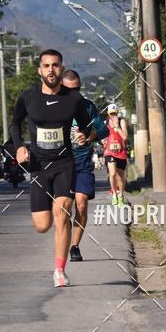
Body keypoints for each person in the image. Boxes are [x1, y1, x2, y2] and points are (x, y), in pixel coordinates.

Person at [10, 49, 92, 287]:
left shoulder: (73, 99)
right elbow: (15, 123)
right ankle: (57, 262)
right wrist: (19, 147)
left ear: (61, 68)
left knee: (63, 212)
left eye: (55, 65)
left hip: (64, 163)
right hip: (38, 166)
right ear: (40, 70)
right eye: (46, 66)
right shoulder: (28, 97)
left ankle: (59, 271)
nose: (51, 70)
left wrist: (84, 135)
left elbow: (86, 125)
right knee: (42, 225)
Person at [62, 69, 109, 262]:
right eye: (69, 90)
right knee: (64, 208)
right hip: (61, 164)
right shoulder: (54, 107)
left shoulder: (88, 107)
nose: (74, 94)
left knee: (81, 204)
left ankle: (74, 246)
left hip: (82, 162)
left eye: (77, 89)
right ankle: (63, 241)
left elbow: (103, 130)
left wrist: (90, 137)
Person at [103, 102, 129, 206]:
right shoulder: (105, 123)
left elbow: (125, 137)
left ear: (117, 113)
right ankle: (114, 194)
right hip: (109, 152)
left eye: (115, 113)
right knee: (112, 173)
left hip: (120, 152)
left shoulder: (122, 122)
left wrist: (117, 127)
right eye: (111, 113)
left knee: (121, 177)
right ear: (108, 113)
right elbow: (101, 136)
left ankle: (121, 195)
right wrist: (102, 140)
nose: (113, 115)